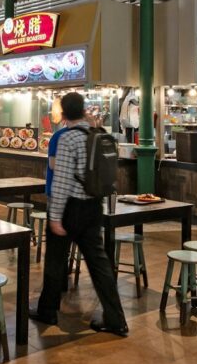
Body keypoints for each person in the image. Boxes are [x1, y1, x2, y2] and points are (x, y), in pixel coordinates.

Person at [31, 92, 128, 335]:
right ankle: (116, 319)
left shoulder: (67, 138)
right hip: (94, 206)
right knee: (99, 265)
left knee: (55, 261)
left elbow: (62, 180)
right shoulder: (96, 135)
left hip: (70, 208)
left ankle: (47, 310)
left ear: (63, 114)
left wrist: (54, 216)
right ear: (84, 110)